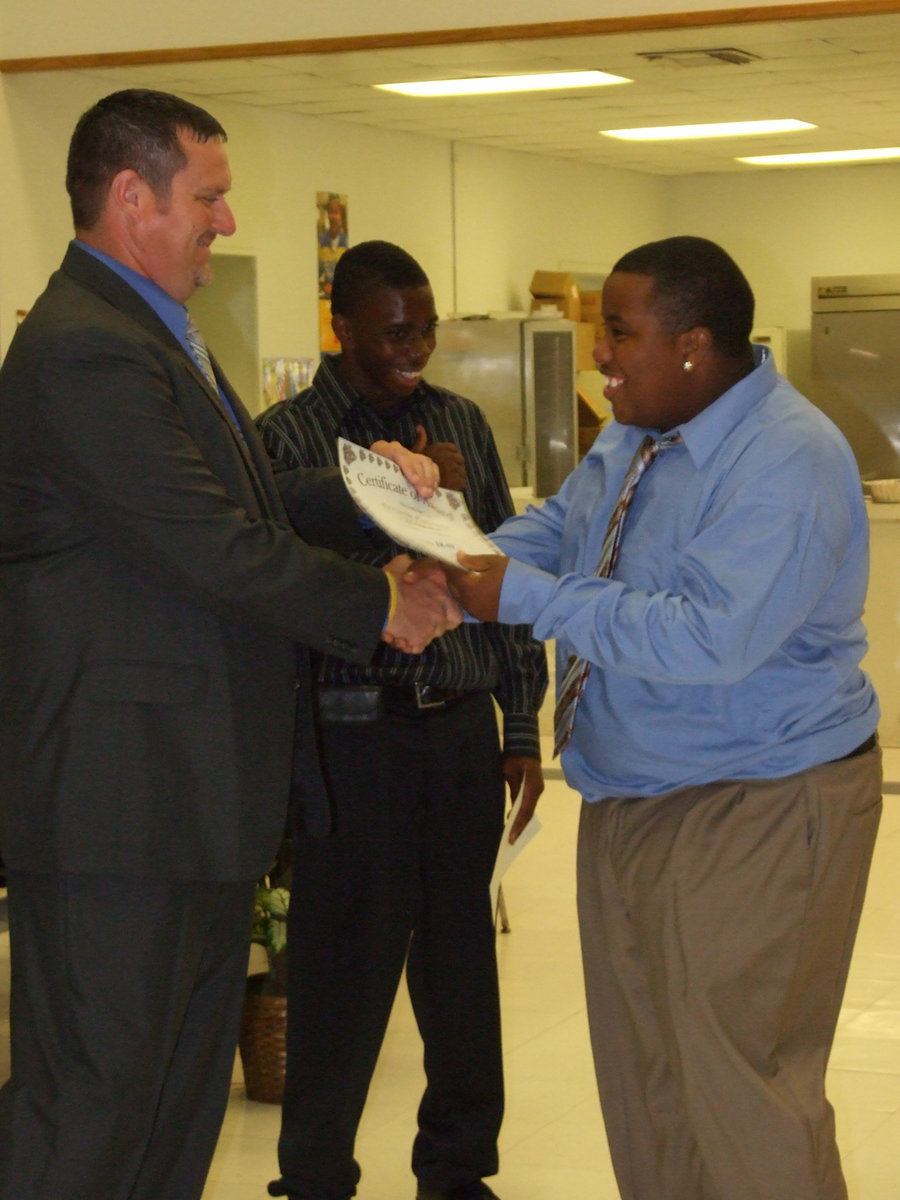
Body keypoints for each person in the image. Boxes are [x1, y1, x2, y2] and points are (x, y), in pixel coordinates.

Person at [0, 89, 461, 1200]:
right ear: (130, 196)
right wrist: (376, 604)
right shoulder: (82, 350)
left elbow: (231, 501)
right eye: (208, 197)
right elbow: (205, 544)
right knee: (100, 1108)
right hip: (120, 814)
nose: (226, 221)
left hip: (186, 805)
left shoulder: (150, 335)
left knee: (175, 1108)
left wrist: (366, 484)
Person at [447, 236, 882, 1200]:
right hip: (632, 791)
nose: (598, 353)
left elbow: (708, 639)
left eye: (617, 333)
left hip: (758, 800)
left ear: (691, 343)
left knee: (743, 1092)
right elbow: (570, 528)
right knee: (648, 1084)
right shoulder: (637, 425)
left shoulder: (788, 458)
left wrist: (522, 597)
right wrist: (458, 563)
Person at [256, 239, 548, 1200]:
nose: (416, 346)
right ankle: (315, 1177)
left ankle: (458, 1171)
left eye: (425, 327)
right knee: (342, 973)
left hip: (459, 729)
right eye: (394, 331)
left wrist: (517, 729)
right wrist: (386, 511)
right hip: (353, 736)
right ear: (341, 327)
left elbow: (505, 574)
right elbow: (277, 585)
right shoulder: (288, 439)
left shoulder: (459, 420)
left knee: (461, 969)